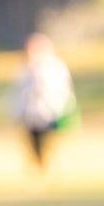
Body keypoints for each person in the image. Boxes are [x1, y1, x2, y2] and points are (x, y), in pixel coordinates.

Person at [7, 32, 78, 170]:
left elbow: (63, 90)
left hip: (51, 112)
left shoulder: (54, 66)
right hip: (31, 114)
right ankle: (39, 169)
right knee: (34, 144)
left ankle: (52, 168)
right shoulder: (25, 68)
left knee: (50, 143)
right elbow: (18, 92)